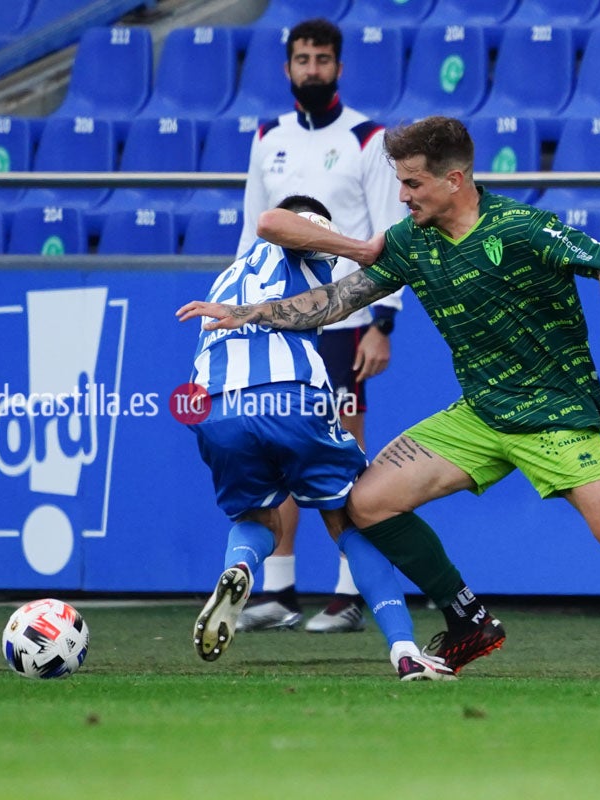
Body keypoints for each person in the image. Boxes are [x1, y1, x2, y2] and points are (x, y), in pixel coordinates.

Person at [179, 116, 600, 682]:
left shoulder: (523, 228)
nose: (403, 196)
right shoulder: (410, 241)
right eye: (400, 182)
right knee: (367, 502)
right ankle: (470, 620)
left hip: (554, 414)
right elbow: (339, 300)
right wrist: (247, 312)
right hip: (478, 413)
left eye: (413, 183)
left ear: (454, 180)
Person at [185, 194, 453, 682]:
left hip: (214, 406)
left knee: (258, 517)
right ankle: (405, 649)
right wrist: (354, 246)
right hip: (288, 395)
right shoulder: (302, 234)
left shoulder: (230, 275)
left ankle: (241, 570)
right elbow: (274, 221)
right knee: (352, 516)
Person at [235, 17, 406, 634]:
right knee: (274, 445)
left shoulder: (367, 139)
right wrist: (237, 307)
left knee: (341, 450)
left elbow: (390, 235)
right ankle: (276, 591)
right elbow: (250, 230)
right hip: (278, 321)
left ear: (339, 66)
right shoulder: (267, 137)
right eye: (302, 59)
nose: (313, 69)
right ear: (287, 68)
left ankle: (348, 593)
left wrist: (383, 323)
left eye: (323, 59)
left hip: (345, 320)